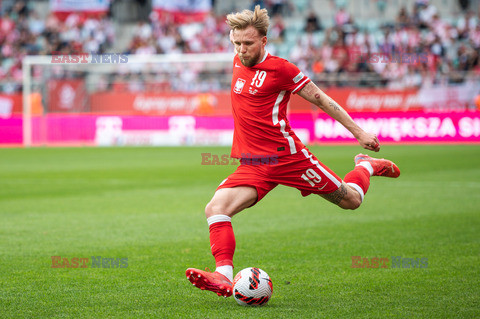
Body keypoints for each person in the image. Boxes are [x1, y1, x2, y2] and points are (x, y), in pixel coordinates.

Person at [186, 6, 400, 297]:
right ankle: (223, 275)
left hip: (289, 159)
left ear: (264, 40)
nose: (241, 49)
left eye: (248, 43)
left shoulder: (281, 69)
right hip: (254, 163)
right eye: (236, 43)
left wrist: (359, 132)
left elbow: (321, 99)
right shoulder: (238, 61)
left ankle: (366, 166)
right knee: (216, 209)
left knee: (350, 201)